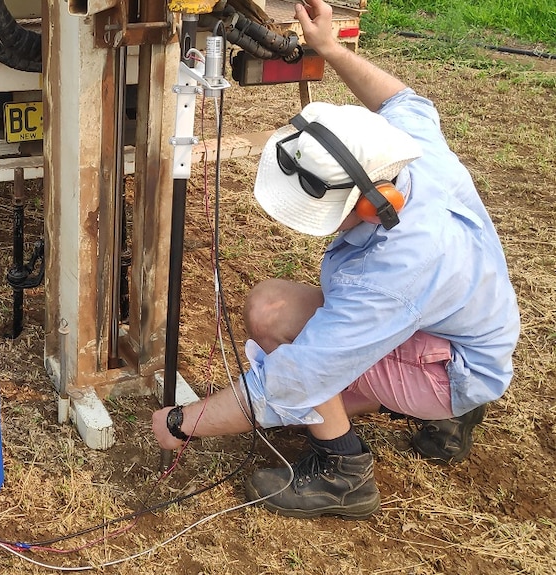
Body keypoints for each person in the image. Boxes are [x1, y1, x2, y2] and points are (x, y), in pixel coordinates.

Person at [151, 0, 520, 520]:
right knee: (276, 311)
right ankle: (427, 397)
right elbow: (401, 97)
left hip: (457, 362)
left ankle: (343, 473)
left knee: (278, 332)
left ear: (372, 204)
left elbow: (297, 378)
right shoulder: (405, 148)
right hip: (457, 324)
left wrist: (179, 423)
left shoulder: (398, 268)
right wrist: (330, 47)